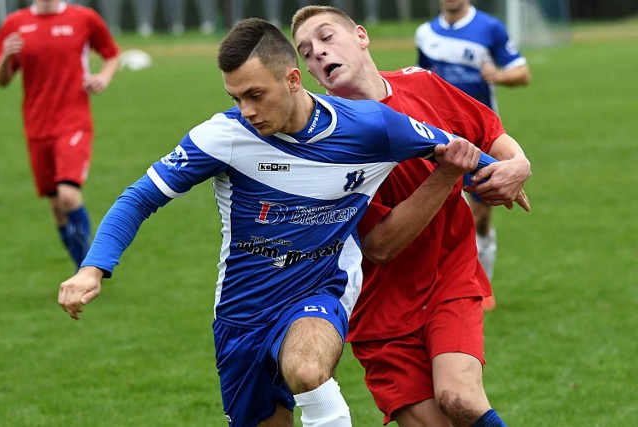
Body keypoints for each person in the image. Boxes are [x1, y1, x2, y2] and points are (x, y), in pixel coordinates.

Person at [57, 17, 505, 427]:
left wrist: (506, 172)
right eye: (236, 97)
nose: (247, 110)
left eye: (256, 95)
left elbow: (454, 151)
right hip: (241, 314)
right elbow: (139, 198)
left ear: (293, 80)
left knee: (308, 370)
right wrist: (92, 267)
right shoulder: (222, 137)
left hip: (319, 292)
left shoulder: (369, 126)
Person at [292, 5, 530, 426]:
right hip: (378, 304)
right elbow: (380, 246)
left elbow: (492, 134)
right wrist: (448, 173)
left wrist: (518, 165)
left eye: (327, 38)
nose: (319, 54)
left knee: (460, 398)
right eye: (307, 52)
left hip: (448, 272)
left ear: (361, 37)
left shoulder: (422, 84)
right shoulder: (325, 143)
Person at [415, 0, 532, 309]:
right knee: (442, 214)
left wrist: (498, 75)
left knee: (479, 216)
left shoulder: (489, 28)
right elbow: (420, 79)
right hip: (439, 137)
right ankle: (449, 287)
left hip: (480, 137)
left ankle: (484, 285)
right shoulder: (425, 34)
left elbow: (522, 73)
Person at [0, 0, 120, 270]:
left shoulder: (84, 18)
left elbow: (111, 54)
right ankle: (84, 267)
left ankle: (90, 267)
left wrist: (103, 77)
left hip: (73, 121)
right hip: (36, 126)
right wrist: (6, 57)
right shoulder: (15, 24)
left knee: (68, 195)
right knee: (56, 207)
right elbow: (3, 80)